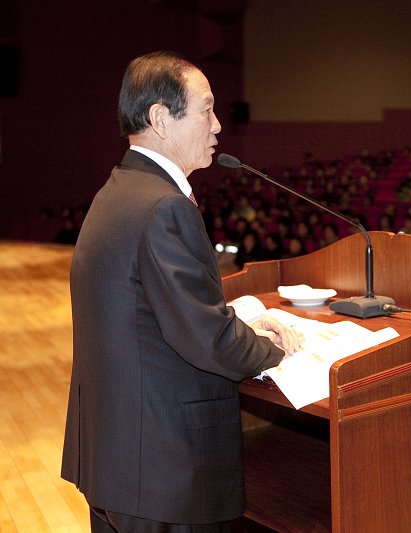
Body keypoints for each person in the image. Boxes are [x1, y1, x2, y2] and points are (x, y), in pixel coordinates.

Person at [62, 52, 304, 532]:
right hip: (163, 470)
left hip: (117, 461)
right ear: (160, 119)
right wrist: (277, 351)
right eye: (206, 110)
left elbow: (148, 310)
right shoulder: (164, 207)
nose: (217, 125)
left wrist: (237, 319)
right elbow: (207, 339)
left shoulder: (119, 189)